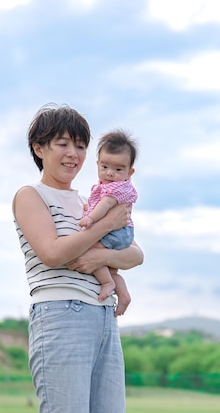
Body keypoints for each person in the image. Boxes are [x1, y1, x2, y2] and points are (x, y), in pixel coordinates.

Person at [12, 104, 143, 413]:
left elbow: (135, 255)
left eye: (81, 146)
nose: (73, 153)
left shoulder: (90, 201)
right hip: (61, 313)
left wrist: (100, 256)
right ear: (39, 148)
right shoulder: (31, 195)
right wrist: (108, 225)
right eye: (63, 144)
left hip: (104, 316)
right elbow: (53, 253)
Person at [79, 130, 138, 315]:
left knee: (89, 247)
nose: (110, 173)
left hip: (118, 232)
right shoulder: (109, 185)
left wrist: (90, 217)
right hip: (121, 231)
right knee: (112, 270)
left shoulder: (116, 188)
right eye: (105, 167)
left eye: (118, 169)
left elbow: (105, 205)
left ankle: (107, 282)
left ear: (130, 172)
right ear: (97, 164)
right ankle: (123, 293)